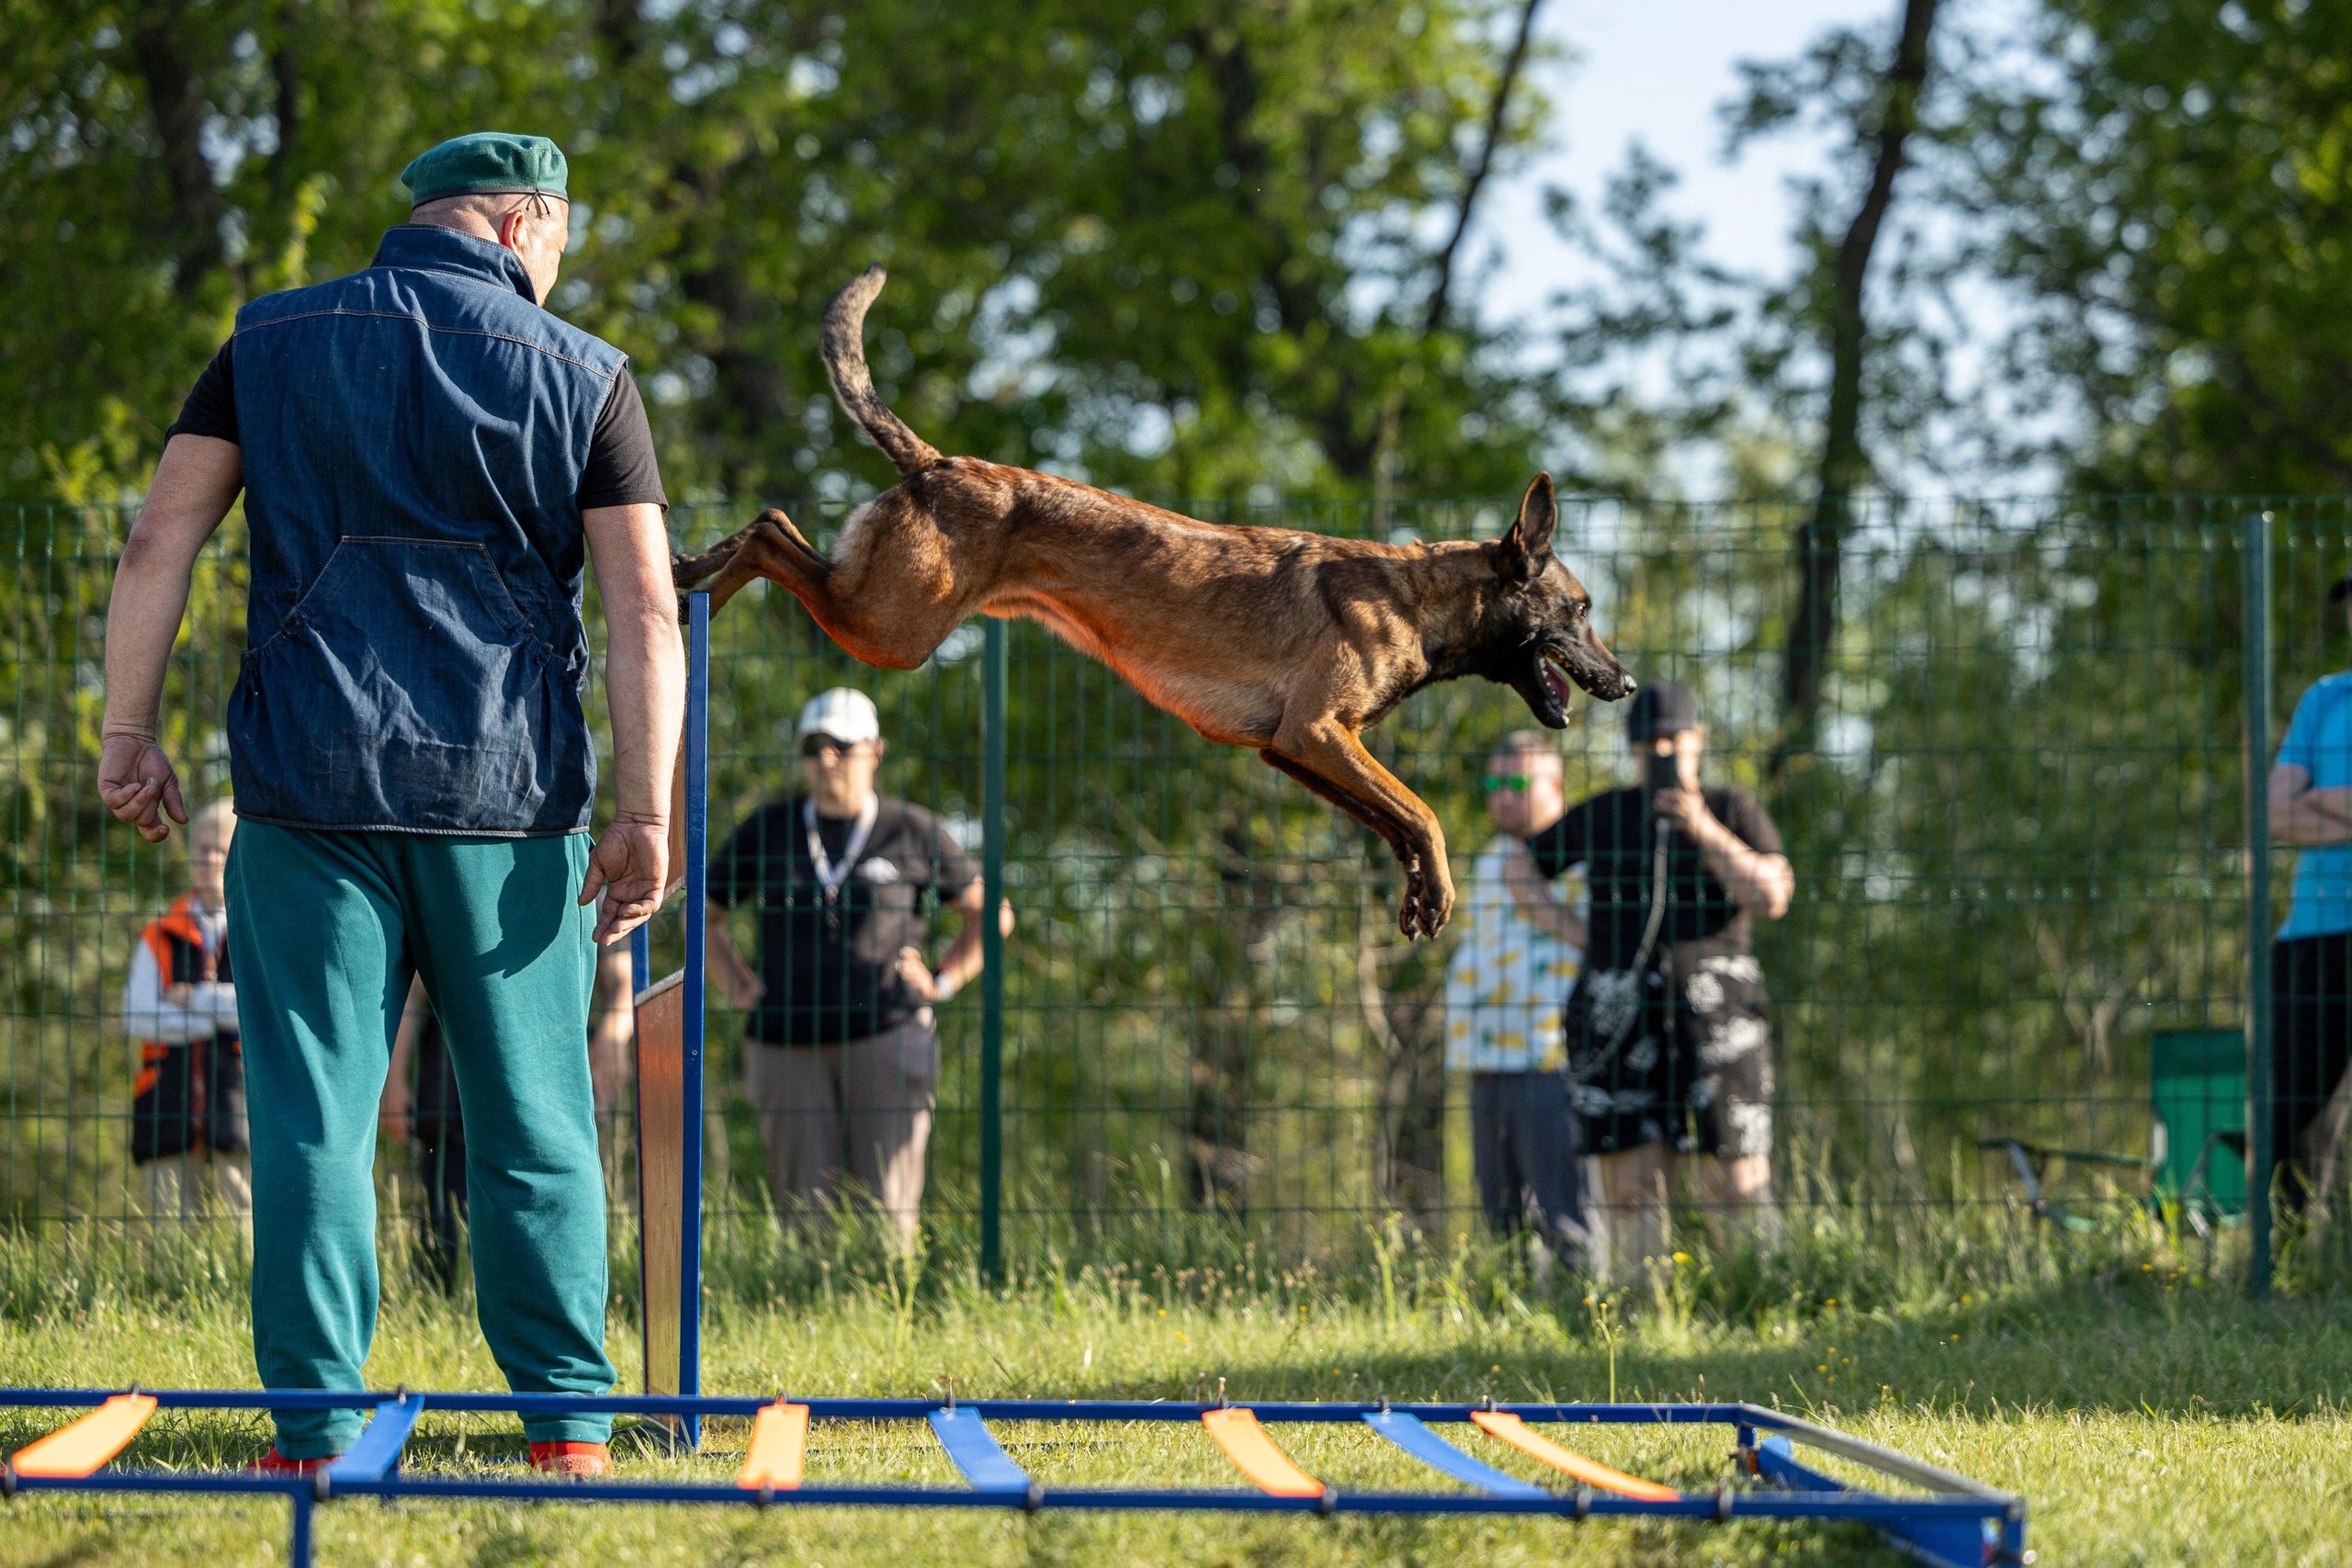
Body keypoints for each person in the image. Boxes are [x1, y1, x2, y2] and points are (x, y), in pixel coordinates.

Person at [96, 132, 684, 1476]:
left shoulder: (269, 339)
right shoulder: (587, 373)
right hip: (511, 799)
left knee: (312, 1114)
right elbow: (647, 604)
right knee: (535, 1120)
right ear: (526, 221)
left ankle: (310, 1430)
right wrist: (643, 805)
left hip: (308, 792)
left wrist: (128, 730)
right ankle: (569, 1428)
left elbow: (157, 537)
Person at [1508, 681, 1792, 1275]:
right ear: (1632, 749)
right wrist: (1578, 933)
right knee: (1629, 1182)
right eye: (1650, 743)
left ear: (1697, 742)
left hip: (1718, 1020)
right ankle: (1641, 1309)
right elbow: (1519, 867)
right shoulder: (1607, 812)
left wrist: (1703, 829)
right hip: (1617, 1016)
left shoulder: (1731, 808)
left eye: (1674, 740)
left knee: (1733, 1176)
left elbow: (1771, 893)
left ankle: (1761, 1296)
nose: (1663, 752)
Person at [706, 688, 1006, 1251]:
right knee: (803, 1212)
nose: (826, 759)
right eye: (813, 746)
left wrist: (943, 980)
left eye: (841, 746)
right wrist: (739, 986)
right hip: (786, 1039)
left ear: (875, 751)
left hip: (888, 1033)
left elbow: (991, 916)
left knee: (887, 1210)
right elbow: (705, 915)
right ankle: (807, 1312)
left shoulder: (911, 829)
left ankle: (884, 1308)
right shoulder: (768, 829)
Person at [379, 946, 637, 1290]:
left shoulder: (588, 895)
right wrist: (393, 1080)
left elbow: (624, 979)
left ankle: (550, 1293)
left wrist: (613, 1036)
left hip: (551, 1063)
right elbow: (412, 990)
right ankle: (441, 1295)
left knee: (551, 1204)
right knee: (447, 1214)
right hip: (454, 1073)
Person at [1442, 734, 1589, 1258]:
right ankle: (1511, 1322)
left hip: (1550, 1056)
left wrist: (1537, 901)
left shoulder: (1584, 853)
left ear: (1556, 785)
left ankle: (1581, 1320)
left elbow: (1608, 948)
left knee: (1563, 1209)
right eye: (1495, 783)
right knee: (1499, 1214)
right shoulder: (1490, 857)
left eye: (1518, 783)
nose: (1503, 795)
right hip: (1484, 1058)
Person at [2262, 572, 2352, 1211]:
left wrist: (2330, 798)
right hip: (2316, 930)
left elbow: (2304, 804)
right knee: (2291, 1101)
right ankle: (2285, 1258)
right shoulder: (2325, 699)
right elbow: (2278, 814)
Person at [122, 797, 251, 1243]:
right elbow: (139, 1018)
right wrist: (219, 1017)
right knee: (168, 1238)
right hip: (166, 1107)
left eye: (221, 848)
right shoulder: (157, 934)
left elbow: (261, 1010)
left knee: (246, 1231)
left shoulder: (259, 930)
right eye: (202, 848)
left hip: (242, 1108)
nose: (210, 858)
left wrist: (191, 999)